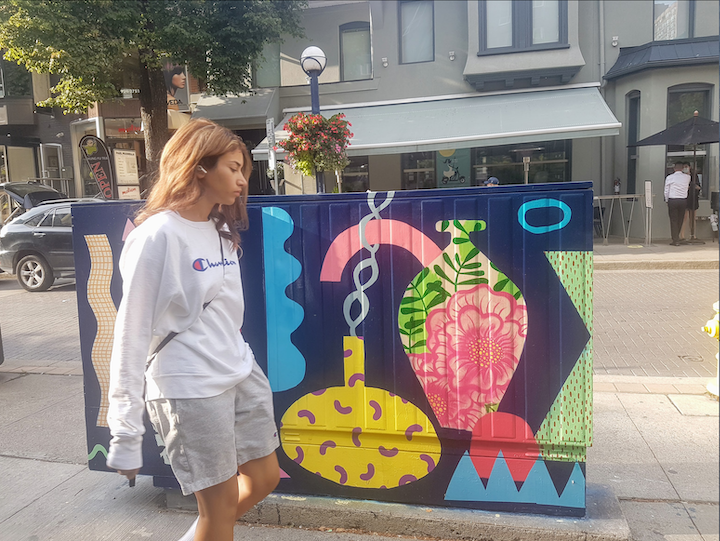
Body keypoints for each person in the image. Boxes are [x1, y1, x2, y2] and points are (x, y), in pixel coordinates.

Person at [106, 118, 280, 541]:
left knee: (264, 478)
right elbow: (130, 333)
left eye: (243, 170)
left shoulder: (220, 231)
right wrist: (126, 431)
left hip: (238, 370)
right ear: (199, 166)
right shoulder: (158, 235)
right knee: (217, 513)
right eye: (233, 168)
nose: (241, 181)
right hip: (189, 383)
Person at [664, 162, 691, 246]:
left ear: (674, 168)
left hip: (672, 199)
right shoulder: (687, 177)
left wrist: (666, 199)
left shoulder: (669, 177)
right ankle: (677, 237)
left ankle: (675, 239)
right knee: (680, 219)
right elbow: (688, 177)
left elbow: (666, 190)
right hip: (683, 200)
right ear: (683, 168)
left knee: (673, 220)